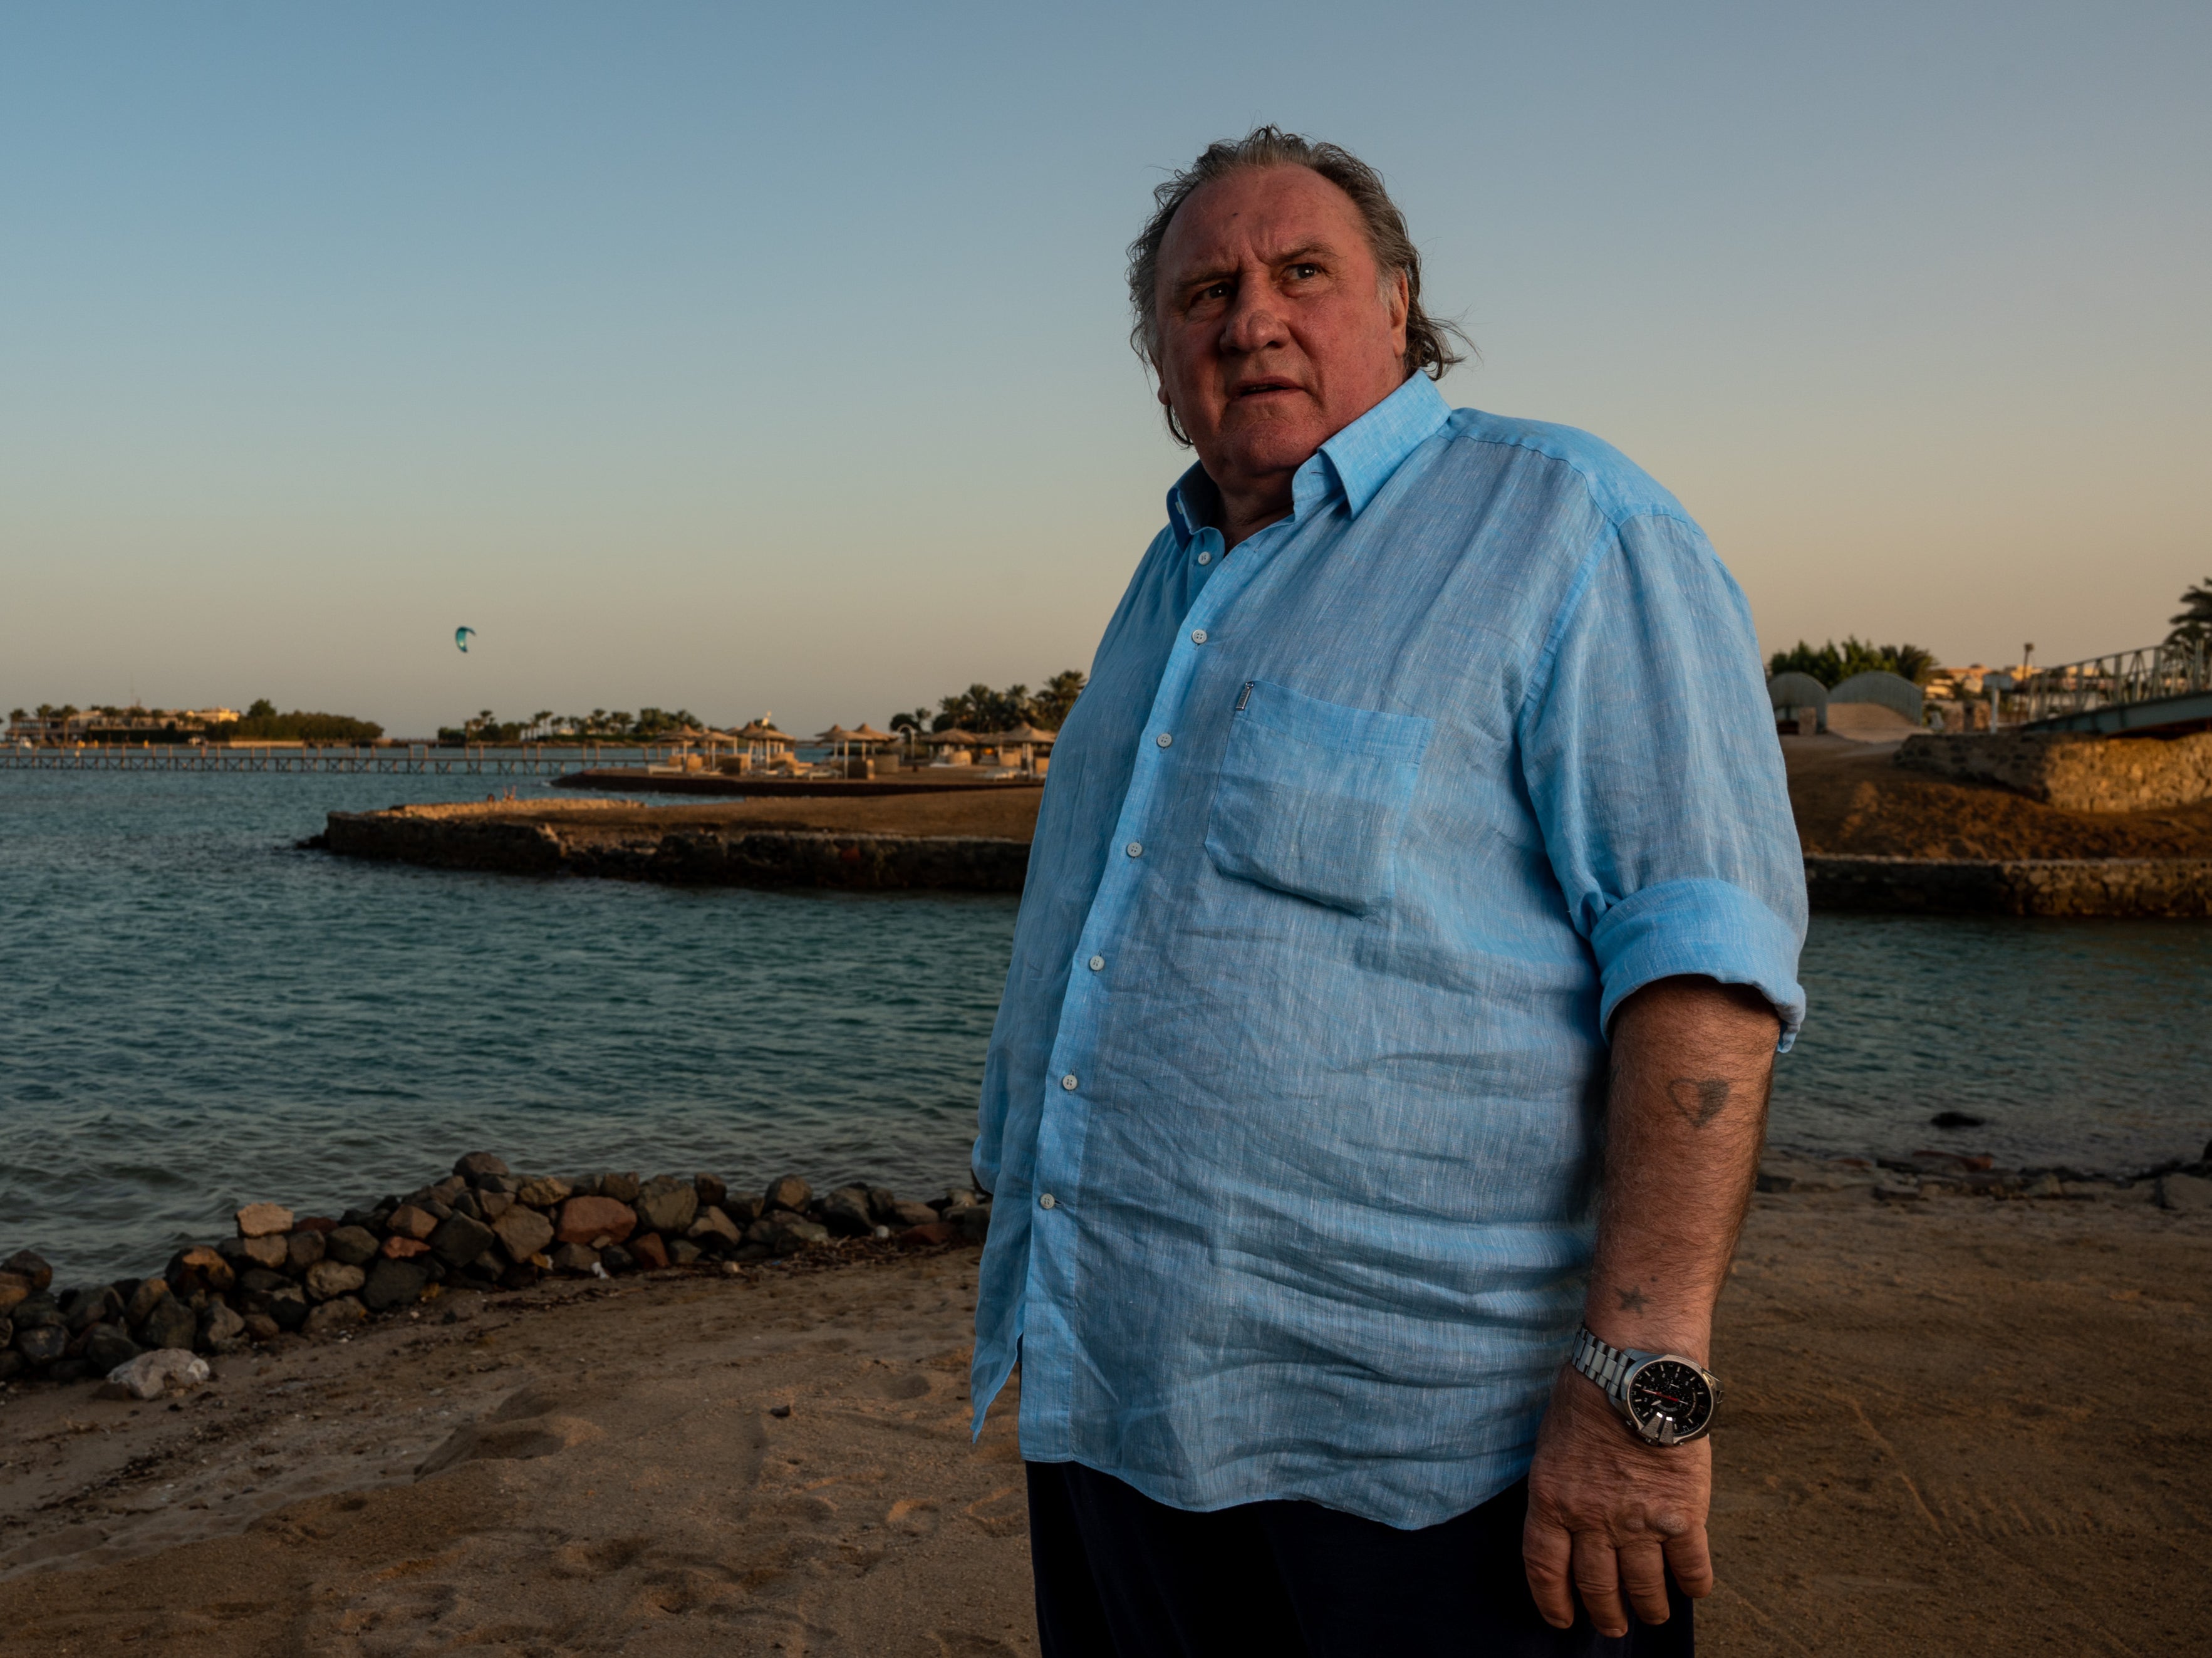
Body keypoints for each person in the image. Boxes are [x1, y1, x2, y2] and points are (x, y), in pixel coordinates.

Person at [970, 127, 1804, 1655]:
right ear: (1160, 361)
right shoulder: (1165, 589)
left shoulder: (1567, 524)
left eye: (1303, 271)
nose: (1251, 316)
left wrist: (1640, 1394)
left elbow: (1703, 980)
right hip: (1118, 1415)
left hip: (1435, 1463)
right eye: (1200, 291)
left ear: (1400, 306)